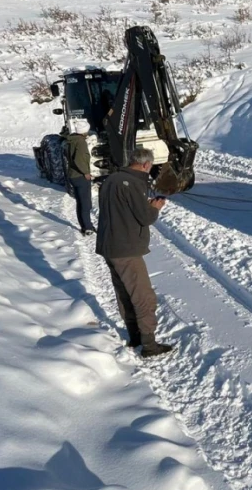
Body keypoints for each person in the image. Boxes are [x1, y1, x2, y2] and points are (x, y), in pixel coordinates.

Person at [95, 148, 174, 358]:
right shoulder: (136, 183)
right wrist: (155, 207)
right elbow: (145, 218)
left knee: (124, 292)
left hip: (108, 245)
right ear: (146, 164)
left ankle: (134, 336)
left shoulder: (111, 179)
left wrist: (143, 206)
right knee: (143, 296)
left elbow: (120, 209)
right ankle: (149, 345)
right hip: (125, 249)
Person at [65, 122, 95, 236]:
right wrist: (86, 173)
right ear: (85, 131)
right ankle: (88, 227)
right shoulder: (81, 142)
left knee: (80, 202)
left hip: (73, 175)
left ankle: (84, 225)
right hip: (80, 176)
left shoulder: (71, 140)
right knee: (86, 203)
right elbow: (79, 159)